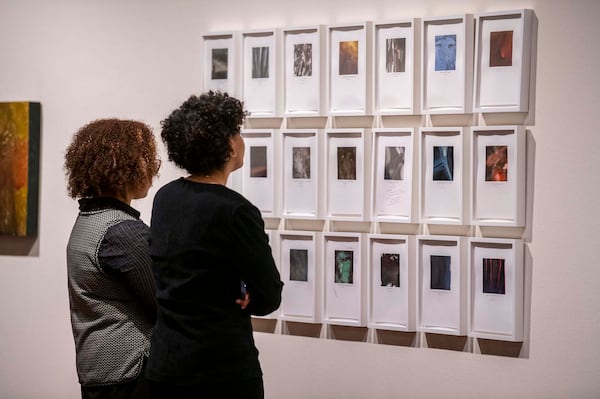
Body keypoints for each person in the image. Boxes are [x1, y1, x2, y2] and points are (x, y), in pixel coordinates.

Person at [146, 91, 283, 399]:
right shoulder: (235, 210)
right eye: (237, 132)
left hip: (166, 366)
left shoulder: (165, 198)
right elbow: (268, 295)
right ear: (227, 145)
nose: (241, 139)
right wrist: (249, 295)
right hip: (219, 371)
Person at [64, 119, 161, 399]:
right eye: (144, 157)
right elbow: (164, 301)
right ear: (123, 166)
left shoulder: (89, 219)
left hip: (99, 373)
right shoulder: (121, 231)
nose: (152, 166)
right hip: (129, 376)